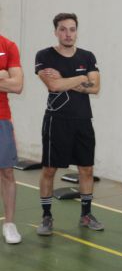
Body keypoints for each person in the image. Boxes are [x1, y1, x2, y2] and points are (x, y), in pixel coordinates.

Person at [35, 13, 102, 235]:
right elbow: (53, 86)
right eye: (63, 29)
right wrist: (81, 78)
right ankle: (46, 217)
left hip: (83, 121)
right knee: (49, 169)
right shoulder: (45, 56)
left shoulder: (87, 56)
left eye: (72, 29)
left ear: (76, 32)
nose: (68, 34)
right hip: (56, 121)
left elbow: (95, 87)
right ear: (55, 31)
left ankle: (86, 214)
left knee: (87, 169)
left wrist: (64, 79)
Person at [0, 32, 24, 244]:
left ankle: (9, 224)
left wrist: (8, 77)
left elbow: (17, 85)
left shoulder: (8, 46)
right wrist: (1, 75)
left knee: (7, 172)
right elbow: (9, 81)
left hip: (1, 118)